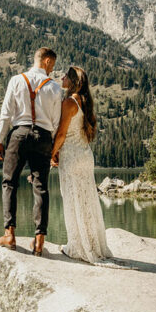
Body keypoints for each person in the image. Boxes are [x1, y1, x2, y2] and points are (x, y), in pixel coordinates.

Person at [0, 47, 64, 256]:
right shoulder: (54, 87)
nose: (53, 68)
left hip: (19, 135)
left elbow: (6, 113)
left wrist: (0, 139)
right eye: (52, 64)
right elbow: (55, 122)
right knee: (41, 187)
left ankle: (10, 235)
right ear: (46, 61)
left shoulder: (17, 80)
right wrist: (54, 148)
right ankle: (39, 241)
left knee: (9, 183)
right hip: (43, 137)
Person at [50, 66, 112, 264]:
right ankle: (94, 245)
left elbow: (61, 134)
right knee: (87, 200)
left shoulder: (70, 102)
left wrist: (51, 154)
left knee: (73, 199)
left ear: (73, 81)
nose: (61, 78)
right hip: (85, 156)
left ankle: (78, 247)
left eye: (65, 76)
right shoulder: (85, 102)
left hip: (72, 157)